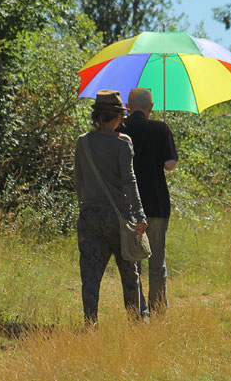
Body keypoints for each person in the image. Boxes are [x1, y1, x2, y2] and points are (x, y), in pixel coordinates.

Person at [73, 89, 147, 325]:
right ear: (117, 117)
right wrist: (139, 215)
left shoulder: (82, 142)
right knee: (129, 276)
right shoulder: (122, 143)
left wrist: (85, 210)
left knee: (90, 277)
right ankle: (136, 325)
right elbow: (130, 182)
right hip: (119, 220)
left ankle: (90, 325)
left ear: (97, 116)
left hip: (89, 218)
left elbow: (79, 182)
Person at [117, 87, 178, 317]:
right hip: (157, 205)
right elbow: (170, 164)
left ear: (127, 106)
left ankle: (139, 312)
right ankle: (158, 311)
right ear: (151, 108)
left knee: (134, 262)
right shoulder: (160, 128)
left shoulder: (120, 129)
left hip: (129, 207)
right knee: (157, 262)